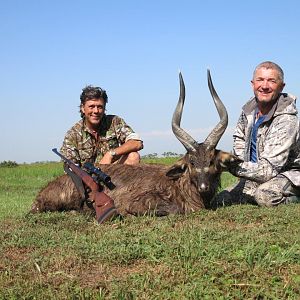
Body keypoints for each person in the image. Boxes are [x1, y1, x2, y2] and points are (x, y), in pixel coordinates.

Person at [213, 61, 300, 208]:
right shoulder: (247, 113)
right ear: (253, 84)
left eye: (272, 81)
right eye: (260, 80)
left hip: (288, 175)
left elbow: (269, 170)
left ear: (282, 86)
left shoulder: (287, 120)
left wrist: (228, 165)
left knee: (264, 197)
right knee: (221, 199)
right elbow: (239, 148)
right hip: (255, 176)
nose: (264, 86)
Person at [60, 85, 143, 167]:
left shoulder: (115, 122)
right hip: (88, 177)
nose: (96, 111)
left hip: (114, 173)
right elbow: (71, 168)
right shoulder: (72, 134)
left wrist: (111, 154)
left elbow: (137, 143)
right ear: (82, 108)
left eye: (100, 107)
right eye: (91, 106)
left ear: (104, 108)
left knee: (133, 156)